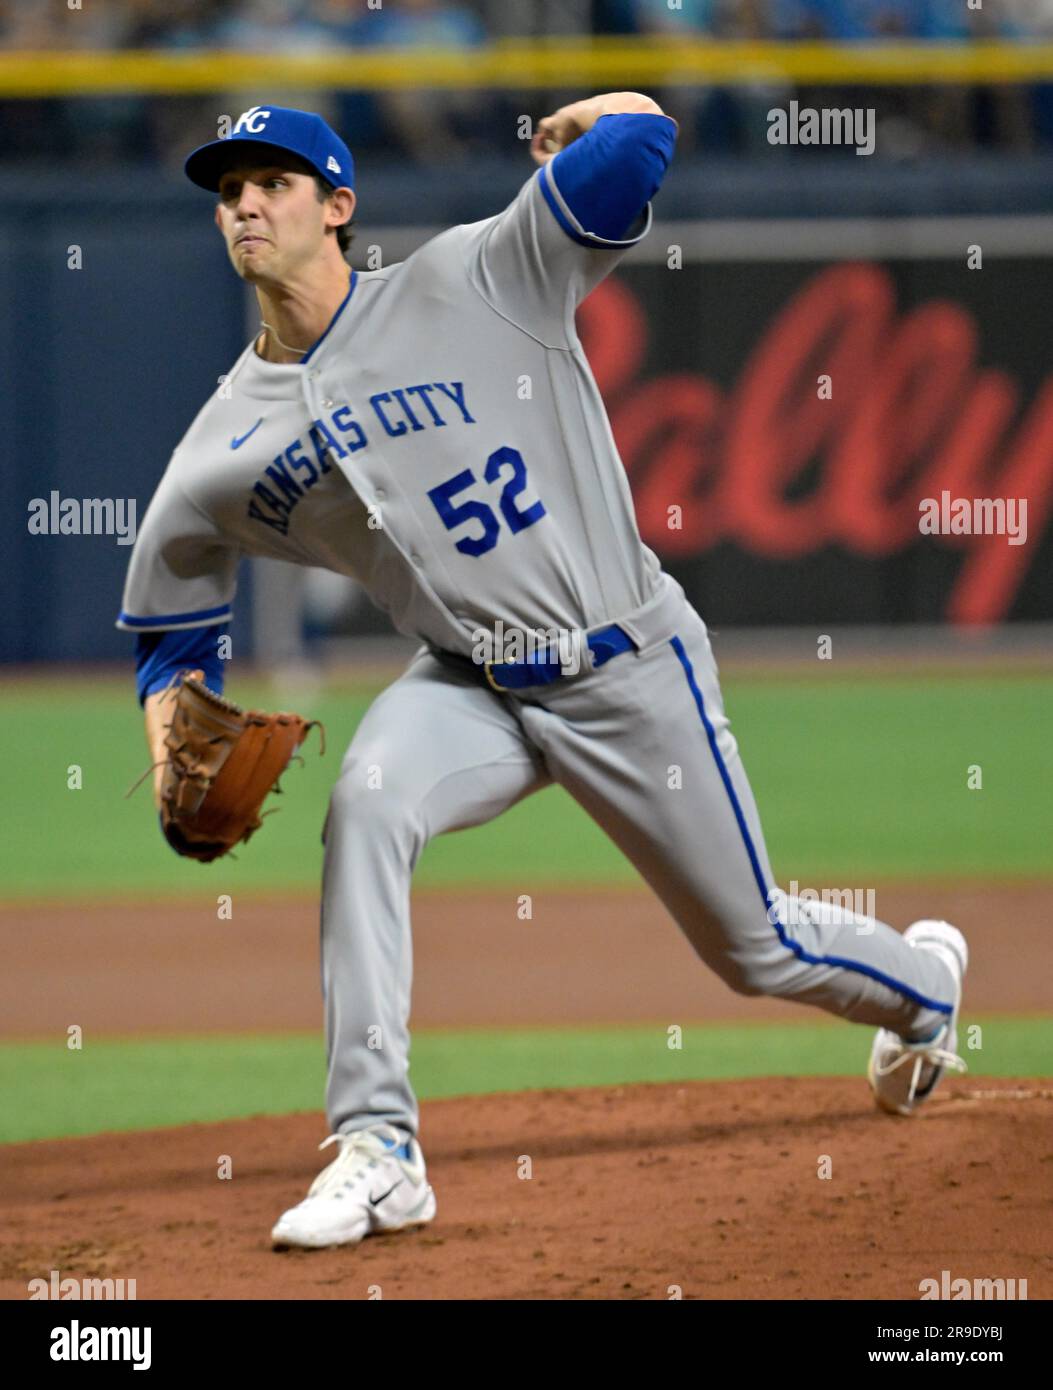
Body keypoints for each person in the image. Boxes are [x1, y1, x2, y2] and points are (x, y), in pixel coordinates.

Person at [117, 97, 968, 1252]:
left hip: (629, 666)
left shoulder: (475, 276)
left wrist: (609, 112)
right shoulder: (222, 445)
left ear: (339, 207)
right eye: (229, 191)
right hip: (471, 686)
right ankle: (379, 1149)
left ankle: (925, 986)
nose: (248, 204)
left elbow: (639, 152)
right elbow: (173, 608)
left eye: (273, 181)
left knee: (754, 948)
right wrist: (169, 728)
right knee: (366, 801)